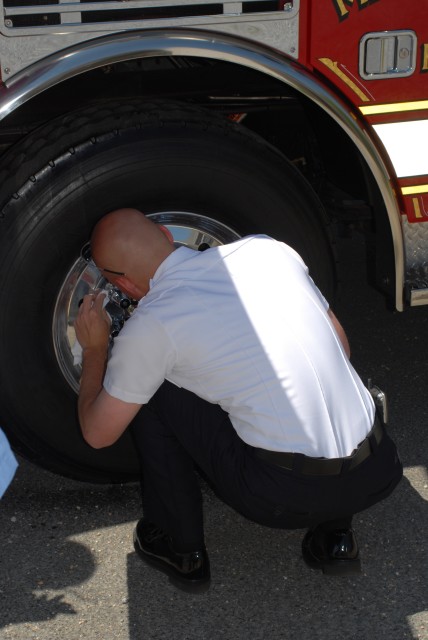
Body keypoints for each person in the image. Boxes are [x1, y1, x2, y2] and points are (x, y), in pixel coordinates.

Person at [74, 208, 402, 591]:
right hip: (378, 470)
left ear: (125, 286)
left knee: (153, 387)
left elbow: (98, 434)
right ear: (166, 234)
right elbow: (340, 348)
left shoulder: (153, 324)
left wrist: (95, 348)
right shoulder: (271, 251)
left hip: (281, 497)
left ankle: (181, 549)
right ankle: (335, 539)